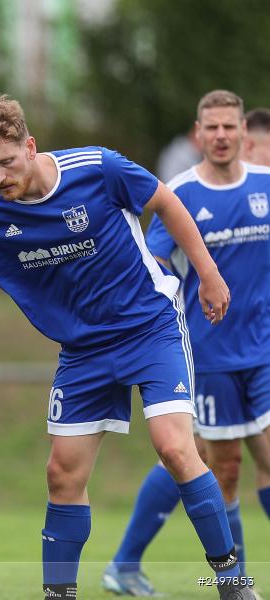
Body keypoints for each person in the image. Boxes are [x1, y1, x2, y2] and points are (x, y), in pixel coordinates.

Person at [0, 94, 251, 600]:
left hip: (149, 325)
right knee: (62, 474)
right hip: (84, 350)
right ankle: (58, 593)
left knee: (175, 447)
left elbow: (166, 202)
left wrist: (208, 273)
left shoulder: (98, 168)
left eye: (5, 162)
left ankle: (232, 582)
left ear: (30, 145)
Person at [102, 91, 270, 597]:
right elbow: (149, 267)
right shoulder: (178, 192)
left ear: (244, 131)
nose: (220, 136)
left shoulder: (266, 186)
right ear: (198, 134)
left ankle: (128, 564)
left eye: (229, 127)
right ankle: (232, 582)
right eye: (211, 128)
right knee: (223, 466)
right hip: (209, 353)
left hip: (263, 353)